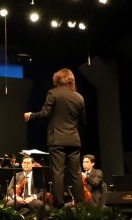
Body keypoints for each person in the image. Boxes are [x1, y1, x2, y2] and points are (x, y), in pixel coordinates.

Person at [24, 68, 86, 208]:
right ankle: (81, 206)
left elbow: (45, 113)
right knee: (76, 173)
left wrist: (31, 115)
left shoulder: (53, 93)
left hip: (57, 139)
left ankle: (59, 206)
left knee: (58, 173)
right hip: (74, 140)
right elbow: (82, 120)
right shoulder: (79, 97)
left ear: (57, 79)